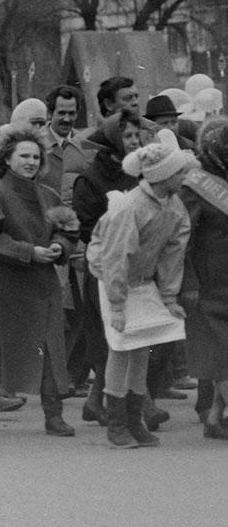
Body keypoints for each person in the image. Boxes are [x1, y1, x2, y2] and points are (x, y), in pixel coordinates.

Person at [87, 131, 194, 447]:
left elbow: (175, 252)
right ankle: (116, 422)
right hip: (112, 279)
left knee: (142, 347)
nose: (185, 176)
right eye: (179, 172)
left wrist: (170, 297)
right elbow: (116, 256)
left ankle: (134, 420)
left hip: (143, 282)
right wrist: (117, 304)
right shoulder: (130, 207)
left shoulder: (174, 206)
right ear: (163, 176)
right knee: (121, 348)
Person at [0, 125, 74, 436]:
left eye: (36, 156)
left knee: (50, 346)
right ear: (7, 158)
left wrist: (60, 247)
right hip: (2, 283)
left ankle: (53, 413)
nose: (30, 162)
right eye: (23, 156)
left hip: (41, 283)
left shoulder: (48, 194)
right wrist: (29, 252)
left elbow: (68, 228)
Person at [72, 110, 142, 426]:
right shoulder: (91, 179)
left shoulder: (139, 172)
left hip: (135, 263)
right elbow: (85, 226)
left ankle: (98, 400)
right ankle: (110, 403)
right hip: (103, 266)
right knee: (105, 336)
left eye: (136, 135)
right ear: (114, 139)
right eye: (128, 136)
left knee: (130, 333)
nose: (135, 141)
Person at [178, 120, 228, 440]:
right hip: (208, 284)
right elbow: (182, 240)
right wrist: (189, 282)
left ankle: (214, 416)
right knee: (221, 354)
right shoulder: (194, 186)